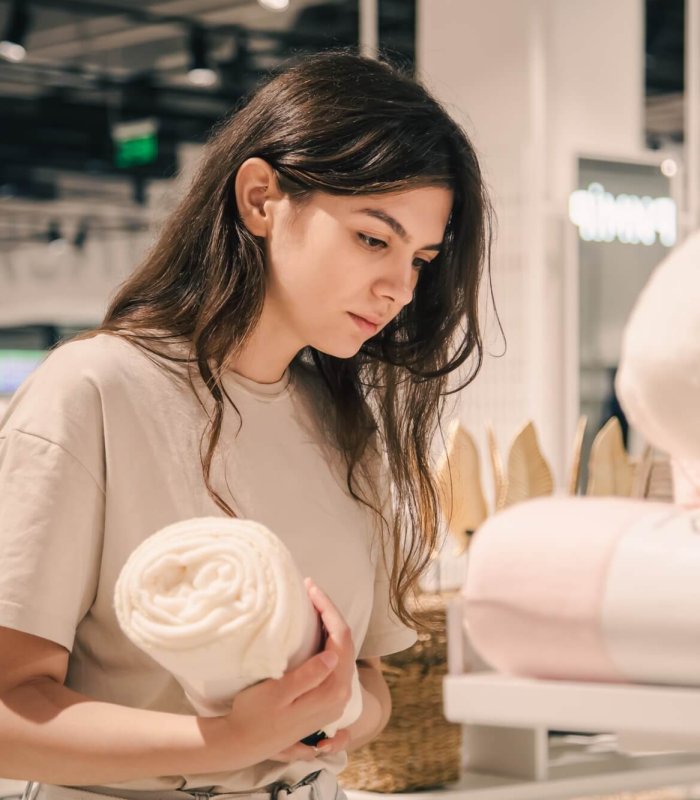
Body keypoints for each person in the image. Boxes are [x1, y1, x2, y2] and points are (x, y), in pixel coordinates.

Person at [0, 50, 491, 800]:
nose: (398, 287)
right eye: (372, 238)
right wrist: (228, 741)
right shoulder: (95, 391)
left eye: (420, 258)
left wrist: (324, 717)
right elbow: (10, 712)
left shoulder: (343, 424)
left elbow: (370, 681)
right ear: (262, 198)